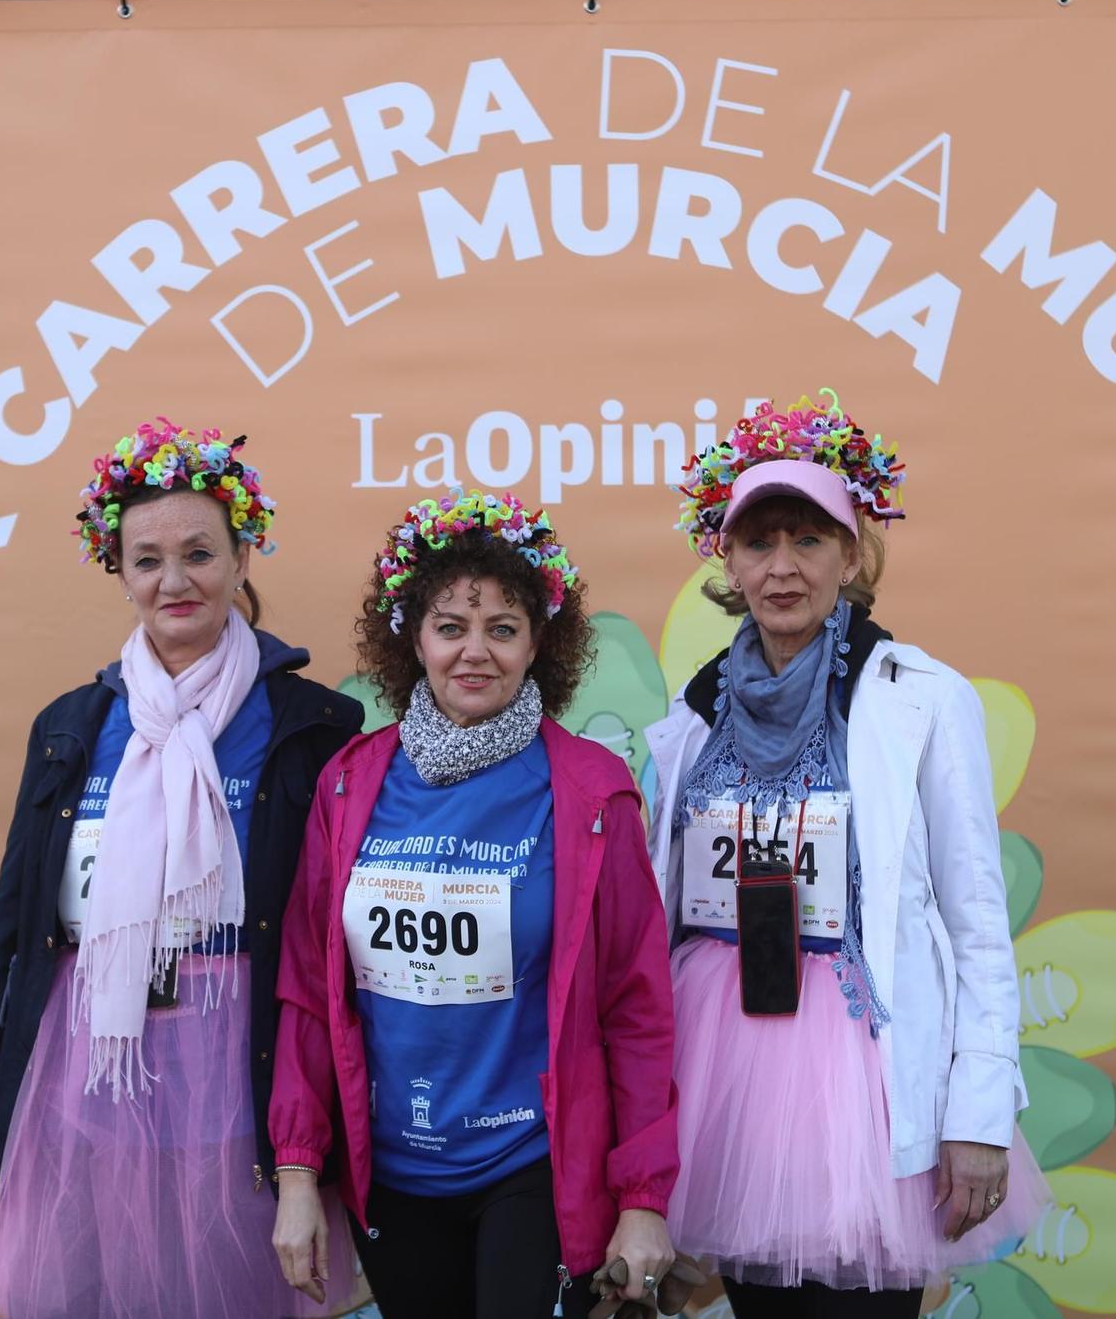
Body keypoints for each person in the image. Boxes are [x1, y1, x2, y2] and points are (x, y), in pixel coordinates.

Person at [646, 392, 1051, 1318]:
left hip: (865, 1080)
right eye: (759, 542)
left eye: (809, 539)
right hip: (729, 1067)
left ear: (853, 552)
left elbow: (977, 920)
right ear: (728, 559)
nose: (783, 567)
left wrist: (980, 1117)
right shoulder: (690, 713)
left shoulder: (924, 699)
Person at [0, 418, 364, 1319]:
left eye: (199, 553)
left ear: (244, 555)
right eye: (147, 560)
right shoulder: (71, 724)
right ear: (120, 571)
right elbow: (15, 929)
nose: (174, 581)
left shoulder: (315, 725)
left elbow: (332, 942)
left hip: (240, 1074)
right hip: (87, 1071)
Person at [270, 491, 680, 1319]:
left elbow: (638, 1007)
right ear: (413, 638)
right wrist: (297, 1173)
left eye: (503, 627)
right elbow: (310, 996)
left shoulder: (595, 791)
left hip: (531, 1166)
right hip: (392, 1172)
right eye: (451, 626)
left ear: (540, 642)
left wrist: (643, 1197)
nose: (475, 652)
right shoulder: (350, 782)